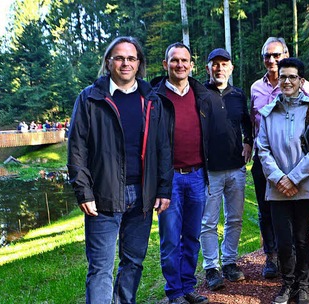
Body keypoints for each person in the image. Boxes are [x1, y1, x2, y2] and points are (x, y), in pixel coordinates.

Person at [67, 36, 173, 304]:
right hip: (103, 196)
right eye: (119, 57)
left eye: (131, 58)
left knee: (133, 262)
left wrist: (163, 188)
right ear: (108, 62)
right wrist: (84, 192)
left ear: (139, 64)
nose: (125, 63)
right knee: (100, 268)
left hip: (143, 196)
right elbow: (77, 149)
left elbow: (163, 148)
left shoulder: (151, 99)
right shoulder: (90, 98)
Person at [153, 42, 225, 304]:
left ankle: (188, 287)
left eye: (184, 61)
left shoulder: (201, 94)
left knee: (192, 236)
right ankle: (174, 293)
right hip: (169, 178)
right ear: (165, 64)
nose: (180, 65)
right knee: (171, 238)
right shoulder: (155, 97)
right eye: (174, 60)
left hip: (196, 176)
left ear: (192, 65)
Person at [256, 57, 309, 304]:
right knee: (284, 240)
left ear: (301, 80)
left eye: (292, 77)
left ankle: (304, 285)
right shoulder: (268, 113)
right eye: (283, 76)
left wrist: (294, 178)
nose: (287, 81)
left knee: (301, 237)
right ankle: (287, 284)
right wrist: (279, 178)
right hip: (277, 189)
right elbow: (262, 149)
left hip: (305, 186)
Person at [250, 37, 309, 279]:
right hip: (264, 160)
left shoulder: (304, 86)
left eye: (277, 55)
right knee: (266, 211)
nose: (272, 60)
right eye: (267, 56)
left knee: (295, 212)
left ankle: (296, 257)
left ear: (286, 54)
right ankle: (272, 256)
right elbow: (252, 122)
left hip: (295, 160)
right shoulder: (256, 88)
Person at [200, 48, 253, 290]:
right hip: (209, 170)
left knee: (235, 218)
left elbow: (246, 123)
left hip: (236, 168)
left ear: (231, 68)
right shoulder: (199, 94)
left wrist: (248, 141)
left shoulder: (238, 95)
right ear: (207, 67)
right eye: (215, 64)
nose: (219, 68)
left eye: (224, 64)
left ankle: (229, 262)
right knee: (209, 221)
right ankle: (211, 267)